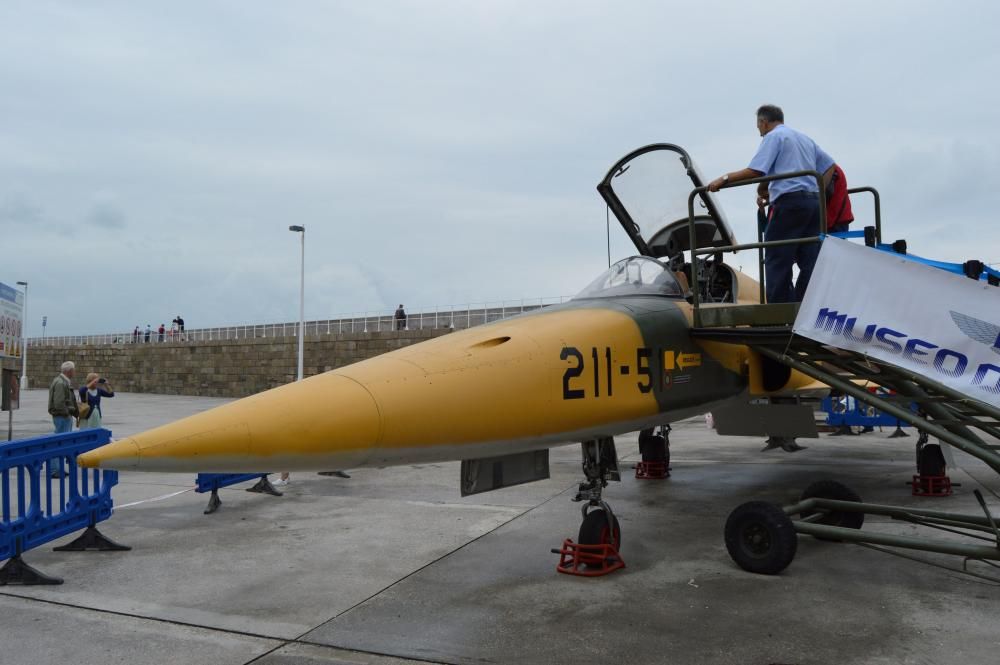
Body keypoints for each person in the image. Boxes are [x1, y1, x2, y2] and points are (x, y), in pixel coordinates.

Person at [708, 104, 835, 303]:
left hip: (790, 205)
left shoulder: (773, 137)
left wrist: (723, 179)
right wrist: (817, 192)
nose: (759, 130)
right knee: (809, 259)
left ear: (763, 122)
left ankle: (780, 311)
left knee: (776, 258)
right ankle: (806, 306)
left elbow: (756, 171)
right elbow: (829, 166)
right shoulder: (804, 138)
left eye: (758, 126)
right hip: (813, 205)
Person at [47, 361, 79, 478]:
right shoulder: (61, 383)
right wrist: (67, 412)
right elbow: (59, 402)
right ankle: (54, 469)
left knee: (61, 443)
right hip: (62, 416)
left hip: (62, 415)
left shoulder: (61, 381)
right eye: (73, 370)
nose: (74, 372)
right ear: (69, 371)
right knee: (59, 443)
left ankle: (58, 468)